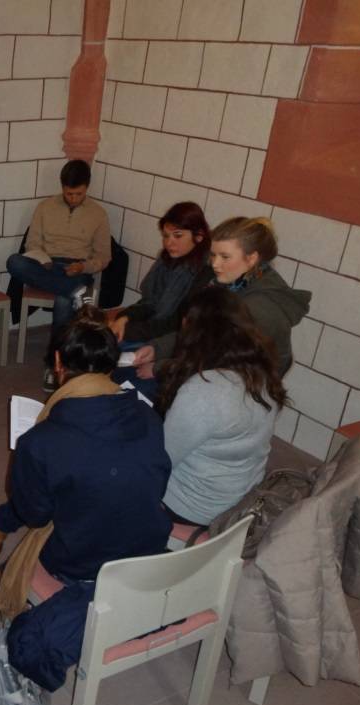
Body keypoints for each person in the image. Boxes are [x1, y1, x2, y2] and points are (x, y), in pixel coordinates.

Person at [0, 308, 171, 582]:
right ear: (112, 364)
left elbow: (35, 515)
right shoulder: (149, 416)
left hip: (82, 565)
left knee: (45, 489)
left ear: (58, 362)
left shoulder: (39, 441)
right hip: (151, 551)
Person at [158, 287, 288, 526]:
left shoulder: (204, 390)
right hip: (240, 499)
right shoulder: (261, 373)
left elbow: (161, 460)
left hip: (189, 508)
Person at [132, 216, 311, 380]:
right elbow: (200, 332)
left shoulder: (256, 308)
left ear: (251, 258)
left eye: (225, 257)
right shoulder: (236, 282)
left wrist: (159, 368)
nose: (215, 264)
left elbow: (211, 360)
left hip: (242, 389)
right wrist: (158, 348)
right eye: (213, 255)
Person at [7, 159, 111, 389]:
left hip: (77, 269)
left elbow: (104, 257)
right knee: (14, 262)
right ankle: (77, 293)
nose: (73, 198)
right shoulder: (45, 207)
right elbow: (32, 243)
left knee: (64, 302)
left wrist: (83, 267)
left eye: (78, 194)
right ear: (62, 187)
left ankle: (54, 364)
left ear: (87, 187)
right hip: (47, 265)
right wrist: (41, 257)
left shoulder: (99, 214)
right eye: (68, 193)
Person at [108, 201, 210, 346]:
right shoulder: (166, 260)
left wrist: (129, 330)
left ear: (199, 236)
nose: (169, 243)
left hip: (176, 340)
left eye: (178, 236)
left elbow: (175, 325)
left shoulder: (205, 273)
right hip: (154, 328)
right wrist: (124, 318)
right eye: (166, 236)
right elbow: (149, 303)